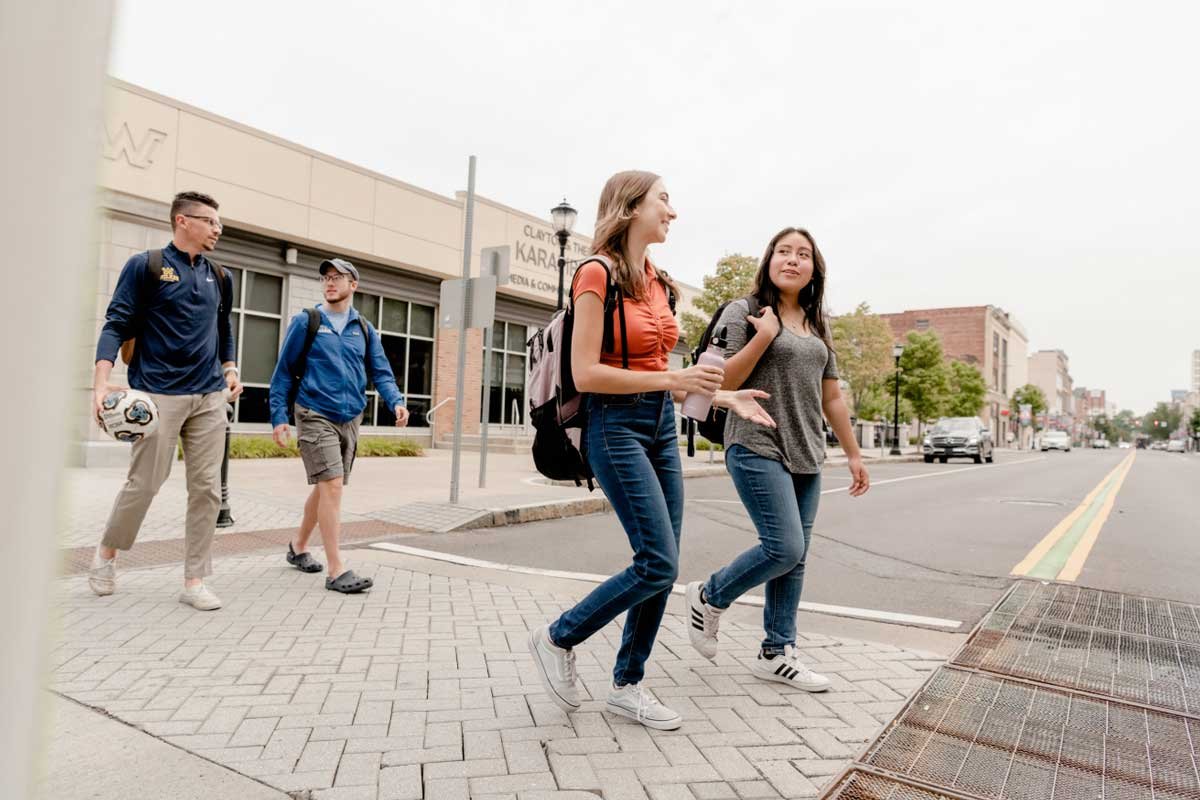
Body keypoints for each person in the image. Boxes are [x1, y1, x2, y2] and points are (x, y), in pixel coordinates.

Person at [528, 171, 776, 730]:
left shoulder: (659, 281)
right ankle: (556, 637)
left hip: (660, 423)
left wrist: (725, 396)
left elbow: (662, 370)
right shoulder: (594, 274)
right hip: (613, 425)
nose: (673, 211)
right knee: (657, 560)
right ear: (630, 206)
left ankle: (627, 684)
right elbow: (586, 373)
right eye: (663, 199)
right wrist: (673, 381)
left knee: (663, 565)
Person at [683, 226, 870, 689]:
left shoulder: (817, 325)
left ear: (814, 269)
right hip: (754, 441)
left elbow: (832, 399)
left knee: (797, 557)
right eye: (784, 251)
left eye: (803, 254)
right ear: (769, 260)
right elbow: (720, 382)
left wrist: (853, 454)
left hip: (807, 449)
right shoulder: (744, 312)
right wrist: (764, 336)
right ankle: (709, 595)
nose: (793, 260)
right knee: (783, 546)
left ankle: (777, 650)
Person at [90, 191, 242, 610]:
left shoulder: (220, 275)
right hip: (158, 394)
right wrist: (101, 385)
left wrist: (229, 368)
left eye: (219, 223)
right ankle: (106, 554)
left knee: (208, 489)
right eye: (210, 222)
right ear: (182, 221)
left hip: (209, 395)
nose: (217, 229)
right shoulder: (147, 266)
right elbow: (116, 323)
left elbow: (222, 327)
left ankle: (194, 580)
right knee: (145, 484)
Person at [268, 257, 409, 593]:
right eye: (325, 278)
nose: (329, 283)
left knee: (325, 487)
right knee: (332, 485)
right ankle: (336, 570)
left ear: (353, 285)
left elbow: (381, 371)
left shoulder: (364, 328)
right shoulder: (308, 322)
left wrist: (396, 401)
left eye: (337, 277)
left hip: (350, 416)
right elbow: (284, 371)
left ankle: (298, 546)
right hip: (314, 412)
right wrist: (278, 416)